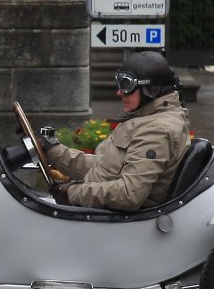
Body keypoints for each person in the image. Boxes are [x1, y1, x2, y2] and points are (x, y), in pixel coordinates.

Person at [41, 50, 191, 211]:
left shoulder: (156, 131)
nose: (119, 92)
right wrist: (54, 152)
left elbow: (129, 194)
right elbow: (106, 169)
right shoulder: (149, 119)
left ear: (151, 89)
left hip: (123, 220)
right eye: (119, 83)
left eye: (126, 85)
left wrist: (72, 193)